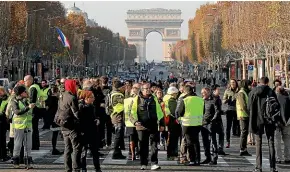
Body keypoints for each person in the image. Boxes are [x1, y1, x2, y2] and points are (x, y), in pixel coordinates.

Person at [130, 82, 164, 170]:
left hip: (153, 125)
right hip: (141, 126)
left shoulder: (154, 98)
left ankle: (154, 163)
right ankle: (143, 163)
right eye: (146, 89)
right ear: (142, 90)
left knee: (154, 145)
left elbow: (159, 112)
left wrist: (162, 123)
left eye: (149, 88)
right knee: (143, 145)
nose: (149, 90)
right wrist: (135, 122)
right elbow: (132, 113)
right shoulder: (136, 99)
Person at [248, 77, 278, 172]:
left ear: (259, 82)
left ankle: (258, 167)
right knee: (271, 142)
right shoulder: (271, 91)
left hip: (257, 119)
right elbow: (276, 105)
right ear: (267, 82)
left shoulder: (253, 92)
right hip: (269, 119)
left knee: (258, 143)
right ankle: (272, 167)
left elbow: (249, 107)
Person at [55, 79, 82, 172]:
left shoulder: (61, 96)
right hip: (72, 125)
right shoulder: (72, 98)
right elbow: (76, 114)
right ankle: (76, 168)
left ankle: (67, 168)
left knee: (67, 148)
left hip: (63, 124)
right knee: (76, 147)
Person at [176, 85, 204, 166]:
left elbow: (180, 112)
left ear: (185, 91)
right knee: (196, 141)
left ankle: (192, 160)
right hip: (198, 123)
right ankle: (198, 159)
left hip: (187, 124)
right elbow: (204, 111)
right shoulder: (200, 100)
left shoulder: (185, 100)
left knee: (189, 142)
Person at [11, 85, 35, 169]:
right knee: (17, 145)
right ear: (21, 93)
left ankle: (28, 163)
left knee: (28, 145)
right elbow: (17, 111)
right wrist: (28, 108)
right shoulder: (14, 101)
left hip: (28, 125)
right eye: (25, 91)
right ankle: (16, 163)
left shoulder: (27, 100)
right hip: (19, 126)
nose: (26, 92)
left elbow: (29, 112)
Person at [78, 90, 101, 172]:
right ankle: (83, 167)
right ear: (86, 98)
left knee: (95, 151)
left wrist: (97, 119)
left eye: (93, 97)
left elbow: (95, 116)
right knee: (84, 151)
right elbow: (79, 120)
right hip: (84, 132)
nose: (93, 99)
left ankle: (97, 168)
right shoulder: (81, 107)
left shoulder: (92, 106)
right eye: (91, 97)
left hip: (93, 131)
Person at [106, 80, 126, 159]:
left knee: (119, 134)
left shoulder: (111, 93)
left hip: (114, 115)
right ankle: (115, 152)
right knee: (118, 134)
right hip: (118, 115)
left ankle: (118, 152)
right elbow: (122, 104)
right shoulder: (118, 95)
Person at [24, 75, 41, 150]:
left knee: (34, 128)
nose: (24, 83)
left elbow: (32, 101)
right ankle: (36, 144)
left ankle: (35, 145)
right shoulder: (36, 86)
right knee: (35, 128)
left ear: (30, 80)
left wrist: (26, 100)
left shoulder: (32, 88)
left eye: (25, 81)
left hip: (34, 110)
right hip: (37, 109)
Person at [124, 83, 140, 160]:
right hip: (135, 121)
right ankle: (135, 153)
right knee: (136, 138)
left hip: (130, 122)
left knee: (132, 138)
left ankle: (132, 153)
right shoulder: (138, 99)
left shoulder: (126, 100)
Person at [163, 86, 180, 160]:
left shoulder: (166, 99)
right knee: (173, 139)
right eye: (176, 93)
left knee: (170, 139)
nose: (176, 95)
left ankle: (170, 154)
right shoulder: (172, 100)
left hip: (168, 120)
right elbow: (174, 112)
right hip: (172, 121)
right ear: (173, 94)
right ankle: (172, 155)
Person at [236, 80, 252, 156]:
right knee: (243, 132)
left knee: (245, 132)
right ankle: (242, 149)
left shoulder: (245, 92)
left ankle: (244, 148)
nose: (250, 86)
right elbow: (243, 106)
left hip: (245, 115)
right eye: (249, 85)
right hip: (243, 115)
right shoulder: (241, 93)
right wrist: (249, 113)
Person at [274, 86, 290, 164]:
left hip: (277, 123)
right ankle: (287, 157)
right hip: (287, 122)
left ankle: (278, 158)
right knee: (287, 140)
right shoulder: (288, 98)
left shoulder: (275, 98)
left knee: (277, 141)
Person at [45, 85, 62, 155]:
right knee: (56, 134)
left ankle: (54, 148)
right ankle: (54, 149)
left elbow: (47, 108)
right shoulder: (57, 99)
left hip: (51, 118)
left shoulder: (48, 98)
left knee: (54, 134)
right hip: (56, 117)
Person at [223, 79, 239, 148]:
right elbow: (223, 101)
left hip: (238, 111)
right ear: (230, 83)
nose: (232, 84)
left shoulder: (239, 90)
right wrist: (227, 100)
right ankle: (228, 142)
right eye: (231, 82)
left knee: (238, 127)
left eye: (234, 82)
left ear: (236, 83)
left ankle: (240, 143)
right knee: (228, 127)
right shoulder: (227, 91)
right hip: (229, 110)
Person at [211, 84, 226, 155]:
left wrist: (222, 112)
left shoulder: (218, 98)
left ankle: (219, 148)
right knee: (214, 134)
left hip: (218, 119)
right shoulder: (213, 99)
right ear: (214, 91)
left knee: (221, 134)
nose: (219, 91)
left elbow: (218, 110)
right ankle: (215, 148)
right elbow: (215, 110)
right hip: (214, 120)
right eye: (218, 90)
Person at [0, 86, 9, 161]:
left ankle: (4, 155)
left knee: (2, 139)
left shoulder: (6, 99)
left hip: (3, 121)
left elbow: (6, 111)